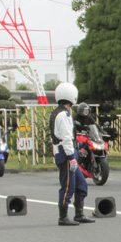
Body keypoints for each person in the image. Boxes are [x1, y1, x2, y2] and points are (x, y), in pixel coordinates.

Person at [49, 83, 94, 226]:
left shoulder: (59, 112)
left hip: (67, 152)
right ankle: (63, 218)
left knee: (81, 185)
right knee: (68, 186)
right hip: (66, 154)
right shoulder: (64, 115)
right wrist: (71, 157)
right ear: (72, 96)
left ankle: (79, 214)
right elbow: (66, 138)